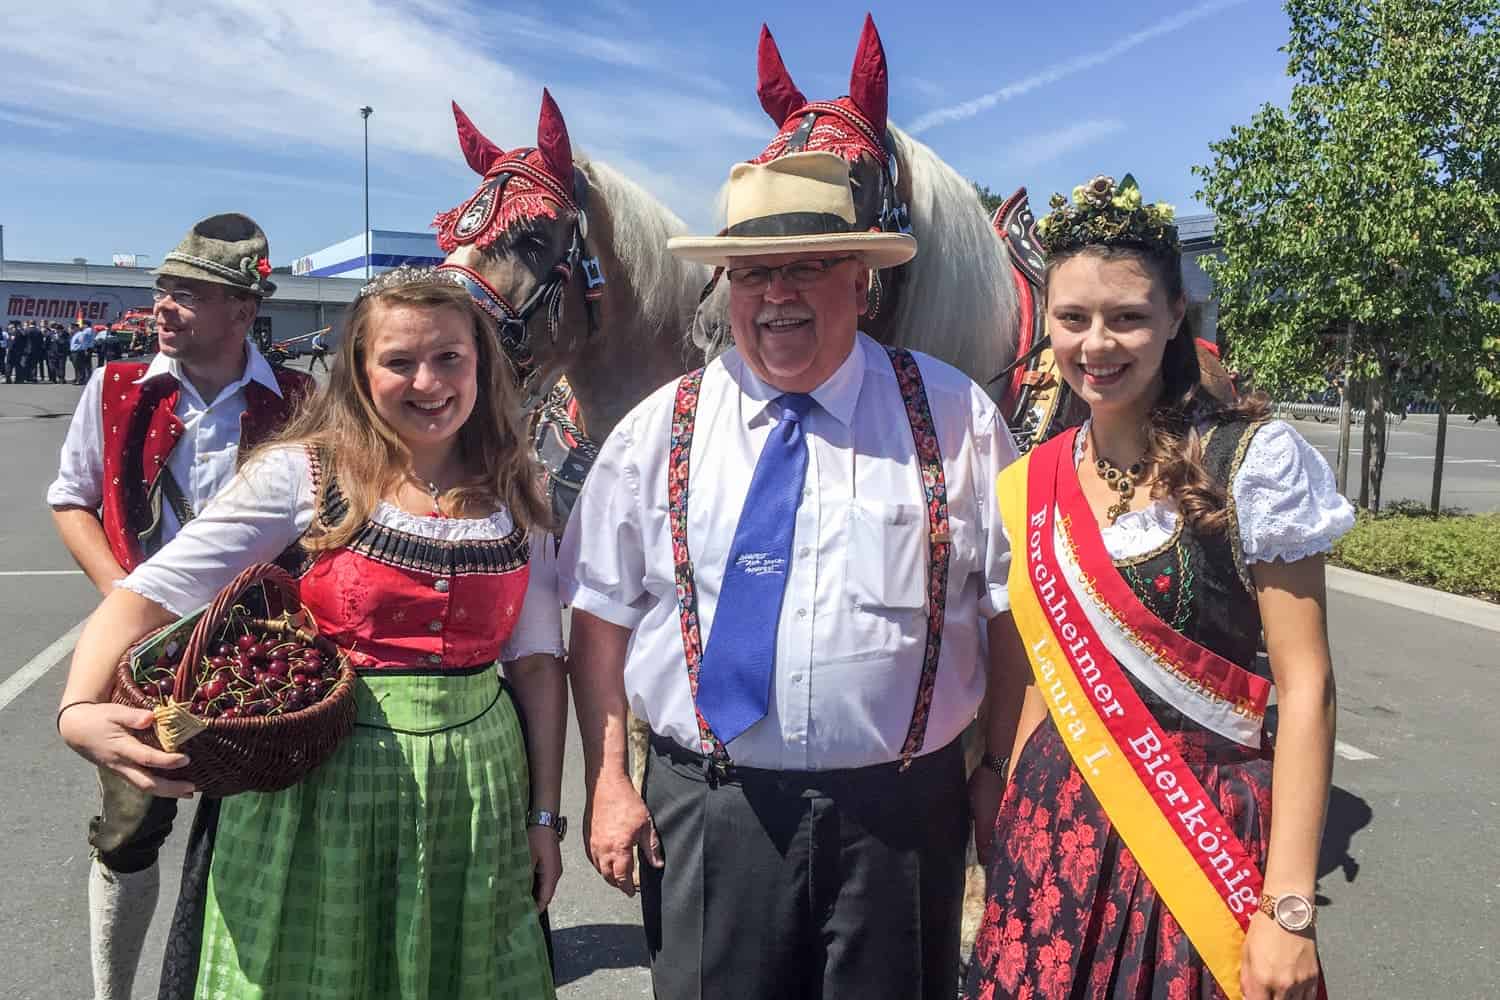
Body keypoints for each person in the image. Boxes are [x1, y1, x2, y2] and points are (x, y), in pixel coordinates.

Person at [559, 151, 1025, 1000]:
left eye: (807, 266)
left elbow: (1009, 613)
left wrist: (995, 769)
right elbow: (598, 619)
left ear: (862, 283)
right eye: (751, 273)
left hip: (903, 819)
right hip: (708, 811)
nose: (776, 294)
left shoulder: (957, 417)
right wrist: (608, 782)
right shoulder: (655, 431)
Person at [57, 267, 563, 1000]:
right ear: (360, 371)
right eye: (399, 361)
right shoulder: (303, 473)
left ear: (480, 361)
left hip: (476, 791)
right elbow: (144, 595)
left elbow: (540, 663)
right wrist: (76, 710)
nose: (429, 381)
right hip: (321, 788)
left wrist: (543, 818)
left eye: (449, 357)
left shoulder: (521, 486)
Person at [963, 175, 1350, 1000]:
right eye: (1073, 318)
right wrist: (1004, 788)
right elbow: (1045, 667)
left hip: (1200, 825)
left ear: (1176, 316)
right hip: (1053, 828)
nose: (1096, 344)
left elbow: (1307, 684)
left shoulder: (1253, 461)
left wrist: (1288, 907)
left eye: (1127, 316)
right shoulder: (1031, 482)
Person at [46, 213, 311, 1000]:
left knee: (263, 826)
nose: (164, 306)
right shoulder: (116, 387)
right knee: (130, 829)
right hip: (140, 657)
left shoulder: (299, 398)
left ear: (241, 310)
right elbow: (71, 501)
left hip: (255, 657)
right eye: (163, 289)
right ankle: (114, 991)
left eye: (187, 294)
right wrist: (123, 601)